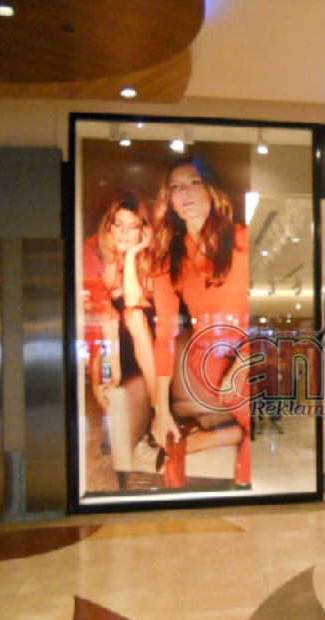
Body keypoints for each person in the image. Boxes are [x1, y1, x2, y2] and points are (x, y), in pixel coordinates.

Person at [133, 157, 251, 488]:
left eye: (194, 183)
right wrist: (161, 410)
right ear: (169, 200)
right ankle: (247, 490)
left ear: (212, 190)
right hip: (211, 357)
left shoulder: (244, 239)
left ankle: (219, 448)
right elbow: (165, 336)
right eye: (176, 188)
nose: (184, 193)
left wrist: (244, 361)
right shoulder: (168, 258)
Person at [85, 192, 160, 475]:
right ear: (109, 227)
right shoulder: (93, 255)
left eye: (133, 227)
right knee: (102, 380)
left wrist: (131, 256)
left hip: (143, 339)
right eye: (118, 225)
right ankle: (117, 432)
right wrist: (112, 373)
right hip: (111, 343)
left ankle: (158, 410)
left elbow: (133, 301)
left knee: (133, 315)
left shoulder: (149, 259)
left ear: (143, 232)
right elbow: (105, 322)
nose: (124, 233)